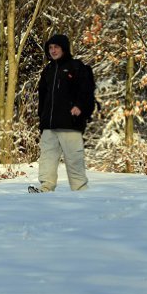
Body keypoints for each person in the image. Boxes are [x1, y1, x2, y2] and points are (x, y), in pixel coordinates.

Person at [30, 34, 95, 193]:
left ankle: (80, 190)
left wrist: (80, 106)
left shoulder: (76, 66)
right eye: (50, 48)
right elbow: (43, 97)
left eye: (56, 47)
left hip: (69, 123)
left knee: (74, 159)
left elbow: (87, 90)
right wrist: (42, 117)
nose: (53, 50)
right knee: (47, 158)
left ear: (64, 48)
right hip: (49, 125)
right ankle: (46, 187)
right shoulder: (48, 70)